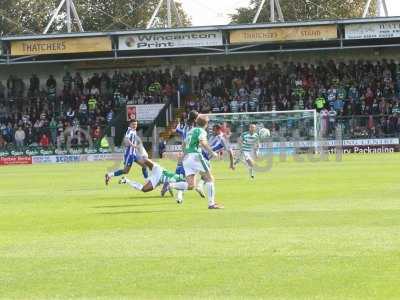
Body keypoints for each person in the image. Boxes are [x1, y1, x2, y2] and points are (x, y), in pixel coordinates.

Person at [169, 114, 223, 209]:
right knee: (210, 179)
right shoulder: (201, 131)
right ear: (206, 124)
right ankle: (211, 204)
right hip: (196, 156)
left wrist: (185, 154)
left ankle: (171, 185)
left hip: (187, 158)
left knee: (190, 185)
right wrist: (212, 152)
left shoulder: (191, 131)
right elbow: (203, 142)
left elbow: (184, 144)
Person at [105, 119, 149, 185]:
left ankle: (147, 181)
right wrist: (133, 145)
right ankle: (109, 175)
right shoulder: (129, 131)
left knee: (144, 165)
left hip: (134, 153)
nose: (135, 126)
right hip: (129, 154)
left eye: (136, 124)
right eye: (133, 124)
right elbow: (126, 139)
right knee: (125, 171)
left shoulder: (134, 131)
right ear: (130, 125)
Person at [196, 123, 235, 196]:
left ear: (218, 130)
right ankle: (200, 188)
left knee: (206, 173)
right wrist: (232, 164)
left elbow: (230, 152)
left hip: (203, 155)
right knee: (209, 176)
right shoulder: (214, 137)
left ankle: (199, 186)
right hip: (204, 156)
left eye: (214, 130)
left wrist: (231, 163)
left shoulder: (222, 138)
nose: (212, 132)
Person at [119, 159, 185, 193]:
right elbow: (167, 184)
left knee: (144, 189)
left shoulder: (178, 182)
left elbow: (169, 186)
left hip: (157, 179)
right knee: (146, 161)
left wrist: (167, 192)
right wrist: (164, 191)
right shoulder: (177, 178)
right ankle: (135, 156)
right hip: (159, 172)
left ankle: (126, 180)